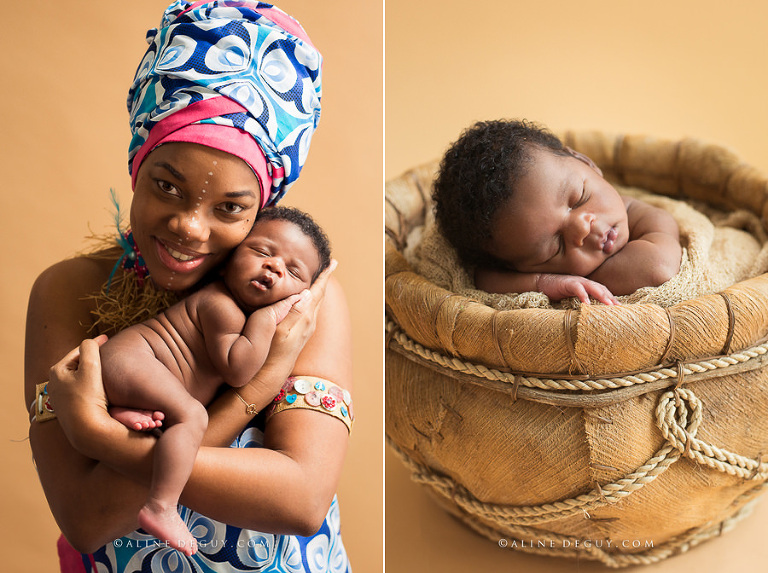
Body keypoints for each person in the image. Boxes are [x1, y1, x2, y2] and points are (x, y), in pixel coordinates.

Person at [25, 2, 353, 571]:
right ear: (138, 164)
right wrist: (259, 384)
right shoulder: (68, 291)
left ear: (263, 208)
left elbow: (300, 500)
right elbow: (87, 518)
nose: (189, 226)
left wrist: (107, 443)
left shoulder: (296, 300)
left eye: (230, 207)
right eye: (167, 187)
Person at [99, 206, 333, 556]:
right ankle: (160, 506)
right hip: (131, 360)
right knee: (192, 417)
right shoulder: (220, 305)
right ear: (226, 261)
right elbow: (238, 370)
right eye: (262, 252)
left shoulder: (237, 313)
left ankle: (127, 414)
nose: (274, 266)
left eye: (292, 271)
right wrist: (269, 317)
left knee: (172, 417)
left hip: (135, 374)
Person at [432, 119, 682, 305]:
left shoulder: (652, 218)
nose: (583, 227)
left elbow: (658, 268)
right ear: (519, 268)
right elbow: (481, 278)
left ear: (586, 162)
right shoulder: (519, 257)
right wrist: (544, 282)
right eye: (556, 246)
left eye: (579, 198)